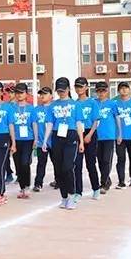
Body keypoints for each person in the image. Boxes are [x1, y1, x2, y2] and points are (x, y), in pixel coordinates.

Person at [42, 77, 84, 210]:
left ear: (68, 89)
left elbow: (78, 123)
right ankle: (64, 197)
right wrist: (44, 141)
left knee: (67, 167)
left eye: (63, 90)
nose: (61, 93)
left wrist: (81, 141)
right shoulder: (53, 106)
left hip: (71, 135)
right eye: (58, 91)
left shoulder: (75, 105)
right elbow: (49, 123)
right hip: (57, 136)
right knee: (58, 168)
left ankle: (72, 195)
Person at [73, 77, 100, 202]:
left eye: (81, 86)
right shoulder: (74, 103)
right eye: (77, 86)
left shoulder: (93, 102)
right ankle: (78, 191)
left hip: (90, 132)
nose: (79, 89)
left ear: (86, 87)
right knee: (77, 164)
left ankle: (96, 188)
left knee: (90, 163)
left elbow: (96, 120)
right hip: (78, 134)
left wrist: (89, 135)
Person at [10, 83, 37, 199]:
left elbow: (34, 124)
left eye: (21, 92)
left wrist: (36, 138)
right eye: (17, 92)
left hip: (28, 139)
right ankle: (22, 187)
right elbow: (10, 124)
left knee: (25, 162)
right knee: (18, 164)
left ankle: (27, 185)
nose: (19, 95)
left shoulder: (31, 108)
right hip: (15, 139)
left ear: (26, 94)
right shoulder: (11, 108)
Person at [114, 82, 131, 188]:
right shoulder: (116, 104)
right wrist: (119, 135)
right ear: (118, 91)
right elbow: (117, 120)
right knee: (120, 159)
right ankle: (121, 181)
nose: (124, 90)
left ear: (129, 90)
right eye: (121, 88)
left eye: (126, 88)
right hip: (120, 137)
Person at [95, 81, 120, 195]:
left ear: (107, 91)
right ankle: (107, 179)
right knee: (100, 161)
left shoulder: (112, 104)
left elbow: (118, 119)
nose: (101, 93)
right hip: (96, 136)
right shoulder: (94, 103)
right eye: (99, 91)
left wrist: (119, 134)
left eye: (103, 90)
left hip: (109, 136)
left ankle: (104, 183)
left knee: (106, 160)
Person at [33, 86, 55, 192]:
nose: (42, 96)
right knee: (41, 162)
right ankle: (38, 183)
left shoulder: (55, 108)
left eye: (45, 94)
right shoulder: (36, 109)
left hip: (54, 141)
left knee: (57, 162)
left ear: (51, 96)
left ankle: (58, 181)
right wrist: (36, 139)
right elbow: (35, 125)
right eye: (41, 94)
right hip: (41, 141)